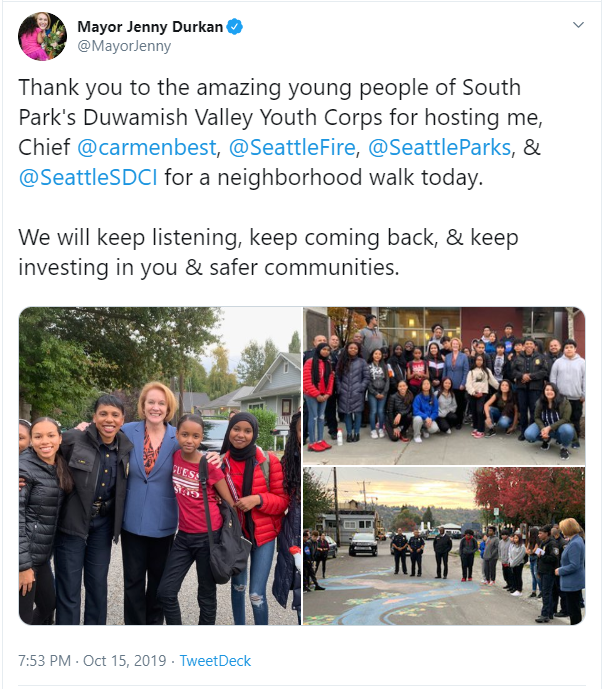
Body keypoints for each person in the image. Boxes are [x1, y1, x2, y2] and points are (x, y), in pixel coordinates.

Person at [54, 394, 133, 625]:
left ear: (122, 419)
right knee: (68, 588)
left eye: (115, 415)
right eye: (103, 414)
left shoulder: (126, 447)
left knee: (97, 586)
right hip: (72, 524)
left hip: (102, 526)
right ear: (94, 417)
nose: (109, 420)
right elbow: (41, 448)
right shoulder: (72, 439)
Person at [156, 415, 234, 625]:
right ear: (176, 435)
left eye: (195, 436)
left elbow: (229, 501)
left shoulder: (208, 465)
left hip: (209, 538)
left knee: (206, 595)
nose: (189, 440)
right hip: (183, 537)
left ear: (201, 439)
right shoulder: (174, 457)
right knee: (166, 592)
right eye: (185, 434)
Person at [217, 412, 289, 624]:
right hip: (235, 537)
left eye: (247, 431)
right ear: (229, 431)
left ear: (254, 433)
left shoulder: (268, 462)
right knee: (238, 587)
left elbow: (282, 502)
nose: (241, 435)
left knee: (256, 595)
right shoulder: (221, 464)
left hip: (263, 538)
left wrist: (257, 499)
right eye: (236, 429)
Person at [119, 382, 180, 625]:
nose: (155, 407)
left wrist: (215, 458)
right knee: (132, 580)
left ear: (168, 408)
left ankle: (153, 625)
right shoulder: (126, 431)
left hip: (163, 520)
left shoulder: (178, 437)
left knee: (158, 579)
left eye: (161, 403)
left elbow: (198, 459)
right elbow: (97, 436)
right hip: (131, 519)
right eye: (151, 402)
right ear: (143, 406)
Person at [19, 418, 74, 624]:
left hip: (40, 557)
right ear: (31, 441)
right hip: (24, 558)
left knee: (48, 605)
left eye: (51, 435)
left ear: (60, 438)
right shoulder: (23, 469)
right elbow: (15, 519)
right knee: (22, 617)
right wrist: (22, 567)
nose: (45, 441)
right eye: (38, 436)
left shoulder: (58, 464)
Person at [273, 412, 302, 623]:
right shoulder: (288, 463)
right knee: (299, 593)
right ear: (295, 433)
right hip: (292, 533)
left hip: (299, 533)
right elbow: (276, 497)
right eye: (301, 430)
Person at [524, 382, 576, 460]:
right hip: (544, 425)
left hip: (559, 427)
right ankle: (546, 439)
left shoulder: (564, 402)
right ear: (544, 391)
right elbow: (537, 417)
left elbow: (565, 419)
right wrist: (543, 429)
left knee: (568, 430)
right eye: (547, 389)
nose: (549, 392)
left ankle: (564, 447)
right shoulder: (540, 402)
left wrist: (549, 428)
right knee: (528, 434)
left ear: (556, 391)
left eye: (552, 390)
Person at [550, 339, 585, 449]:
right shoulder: (558, 362)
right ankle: (560, 439)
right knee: (560, 419)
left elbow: (586, 379)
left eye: (571, 347)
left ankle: (575, 440)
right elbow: (553, 378)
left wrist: (584, 394)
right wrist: (554, 394)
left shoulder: (582, 362)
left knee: (575, 419)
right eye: (567, 347)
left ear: (575, 349)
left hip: (576, 397)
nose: (569, 349)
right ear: (563, 349)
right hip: (561, 398)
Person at [512, 338, 548, 440]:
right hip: (521, 389)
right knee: (522, 410)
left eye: (530, 343)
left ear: (534, 346)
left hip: (535, 389)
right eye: (526, 343)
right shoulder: (518, 358)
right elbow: (513, 371)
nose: (528, 345)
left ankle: (532, 432)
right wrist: (522, 376)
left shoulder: (541, 357)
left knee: (534, 410)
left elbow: (544, 371)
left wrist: (530, 376)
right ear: (524, 346)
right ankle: (523, 432)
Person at [303, 342, 334, 452]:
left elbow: (330, 379)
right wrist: (317, 394)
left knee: (321, 417)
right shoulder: (310, 362)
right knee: (314, 417)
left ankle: (320, 440)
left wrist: (327, 394)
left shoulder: (328, 363)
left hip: (323, 395)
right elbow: (306, 381)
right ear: (318, 350)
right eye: (324, 349)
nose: (326, 351)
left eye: (328, 350)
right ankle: (312, 442)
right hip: (311, 395)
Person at [335, 342, 370, 443]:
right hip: (344, 392)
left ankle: (357, 433)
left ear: (358, 350)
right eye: (351, 348)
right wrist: (340, 388)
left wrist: (361, 387)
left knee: (358, 413)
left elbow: (366, 377)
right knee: (347, 414)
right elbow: (337, 377)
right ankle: (349, 433)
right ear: (347, 349)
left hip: (357, 392)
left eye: (355, 348)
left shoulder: (362, 362)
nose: (353, 350)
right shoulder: (342, 361)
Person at [556, 517, 585, 625]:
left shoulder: (575, 543)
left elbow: (574, 565)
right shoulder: (576, 540)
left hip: (573, 582)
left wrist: (560, 570)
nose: (561, 531)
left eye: (563, 528)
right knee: (574, 609)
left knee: (574, 611)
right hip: (572, 581)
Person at [466, 354, 499, 438]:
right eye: (477, 360)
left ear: (483, 361)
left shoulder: (487, 371)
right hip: (473, 394)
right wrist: (473, 392)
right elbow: (468, 384)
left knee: (480, 411)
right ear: (475, 361)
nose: (479, 361)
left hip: (483, 394)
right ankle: (476, 427)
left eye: (481, 360)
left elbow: (493, 381)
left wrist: (501, 387)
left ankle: (481, 430)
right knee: (474, 411)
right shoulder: (471, 371)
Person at [535, 524, 560, 623]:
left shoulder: (552, 543)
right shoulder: (542, 543)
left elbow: (554, 558)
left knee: (546, 593)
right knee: (546, 593)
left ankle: (545, 614)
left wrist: (543, 556)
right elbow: (539, 556)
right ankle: (548, 613)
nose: (539, 535)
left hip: (549, 572)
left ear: (547, 533)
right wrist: (538, 570)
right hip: (542, 571)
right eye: (538, 533)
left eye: (541, 533)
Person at [443, 337, 469, 429]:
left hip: (459, 385)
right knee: (449, 404)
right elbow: (445, 371)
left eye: (456, 344)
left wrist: (463, 383)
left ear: (459, 346)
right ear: (451, 345)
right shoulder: (447, 356)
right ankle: (451, 421)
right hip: (448, 385)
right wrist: (443, 383)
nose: (455, 345)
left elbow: (466, 371)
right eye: (453, 343)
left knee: (459, 404)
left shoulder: (464, 356)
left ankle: (459, 422)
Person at [367, 348, 388, 439]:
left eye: (379, 354)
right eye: (375, 353)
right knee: (373, 411)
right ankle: (372, 430)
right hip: (373, 393)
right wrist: (375, 393)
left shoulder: (385, 366)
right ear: (372, 355)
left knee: (381, 411)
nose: (377, 355)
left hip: (383, 392)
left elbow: (388, 380)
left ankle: (380, 429)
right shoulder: (368, 366)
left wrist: (384, 392)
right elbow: (367, 381)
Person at [412, 379, 439, 443]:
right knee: (418, 419)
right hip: (420, 418)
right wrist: (426, 417)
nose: (426, 385)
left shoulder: (433, 398)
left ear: (430, 386)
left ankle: (424, 429)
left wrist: (431, 419)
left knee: (434, 428)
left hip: (428, 419)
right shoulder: (418, 397)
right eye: (424, 384)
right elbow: (415, 411)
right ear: (421, 386)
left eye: (428, 384)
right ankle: (416, 436)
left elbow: (435, 411)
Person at [551, 526, 569, 618]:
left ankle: (564, 610)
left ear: (556, 534)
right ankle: (553, 608)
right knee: (554, 591)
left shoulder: (563, 543)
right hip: (555, 569)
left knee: (562, 592)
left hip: (560, 569)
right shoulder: (555, 542)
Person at [526, 527, 542, 598]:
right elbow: (527, 550)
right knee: (533, 575)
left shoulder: (538, 541)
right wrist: (530, 551)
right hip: (531, 558)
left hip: (536, 558)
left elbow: (536, 550)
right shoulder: (530, 541)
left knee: (536, 575)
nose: (528, 533)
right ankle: (533, 591)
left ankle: (541, 591)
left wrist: (531, 551)